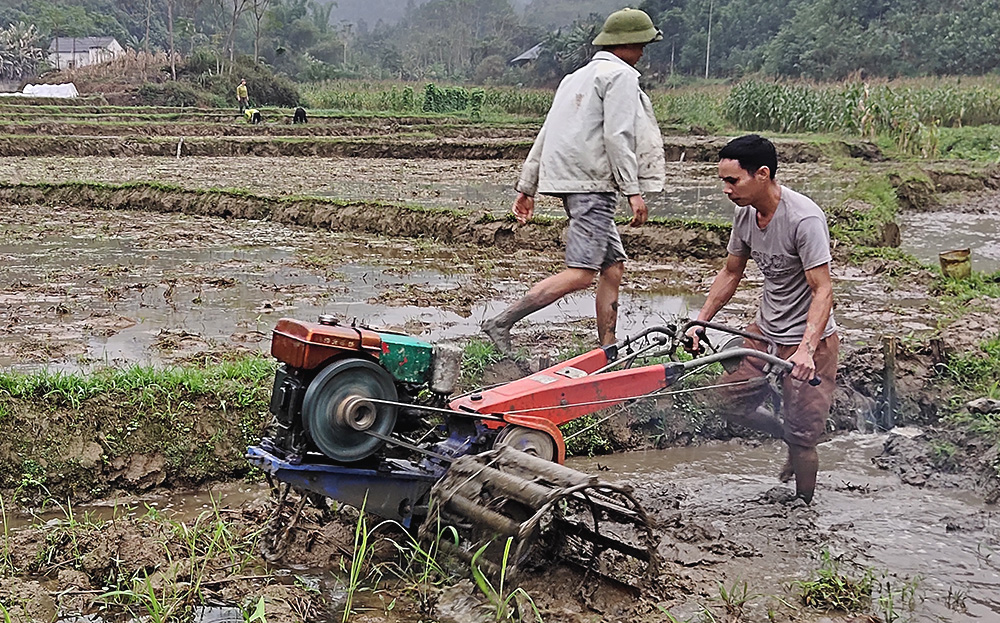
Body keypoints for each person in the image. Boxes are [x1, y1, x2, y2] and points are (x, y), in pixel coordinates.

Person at [481, 8, 665, 355]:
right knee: (581, 273)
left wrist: (527, 186)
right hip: (593, 185)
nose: (643, 52)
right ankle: (501, 322)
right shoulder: (620, 77)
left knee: (613, 266)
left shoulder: (575, 77)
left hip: (572, 181)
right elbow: (618, 135)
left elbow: (547, 133)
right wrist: (633, 190)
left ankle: (607, 348)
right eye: (641, 44)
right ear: (624, 43)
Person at [687, 134, 838, 504]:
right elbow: (731, 271)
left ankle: (804, 510)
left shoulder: (804, 219)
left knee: (804, 442)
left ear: (763, 174)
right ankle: (784, 432)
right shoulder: (745, 215)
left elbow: (823, 290)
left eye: (732, 180)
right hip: (764, 332)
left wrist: (805, 350)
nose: (725, 189)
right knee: (724, 402)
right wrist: (701, 319)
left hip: (808, 343)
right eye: (722, 180)